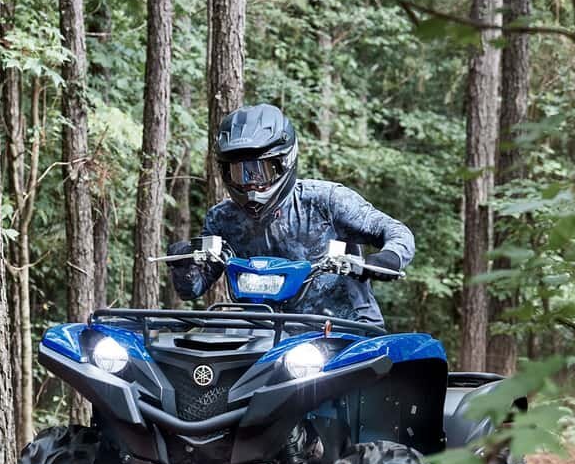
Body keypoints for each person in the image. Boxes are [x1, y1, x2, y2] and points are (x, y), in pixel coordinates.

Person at [168, 103, 414, 327]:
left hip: (344, 330)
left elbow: (395, 231)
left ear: (285, 162)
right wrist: (183, 264)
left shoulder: (325, 201)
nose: (250, 184)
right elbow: (192, 289)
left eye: (260, 171)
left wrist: (388, 258)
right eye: (238, 173)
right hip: (262, 334)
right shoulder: (222, 218)